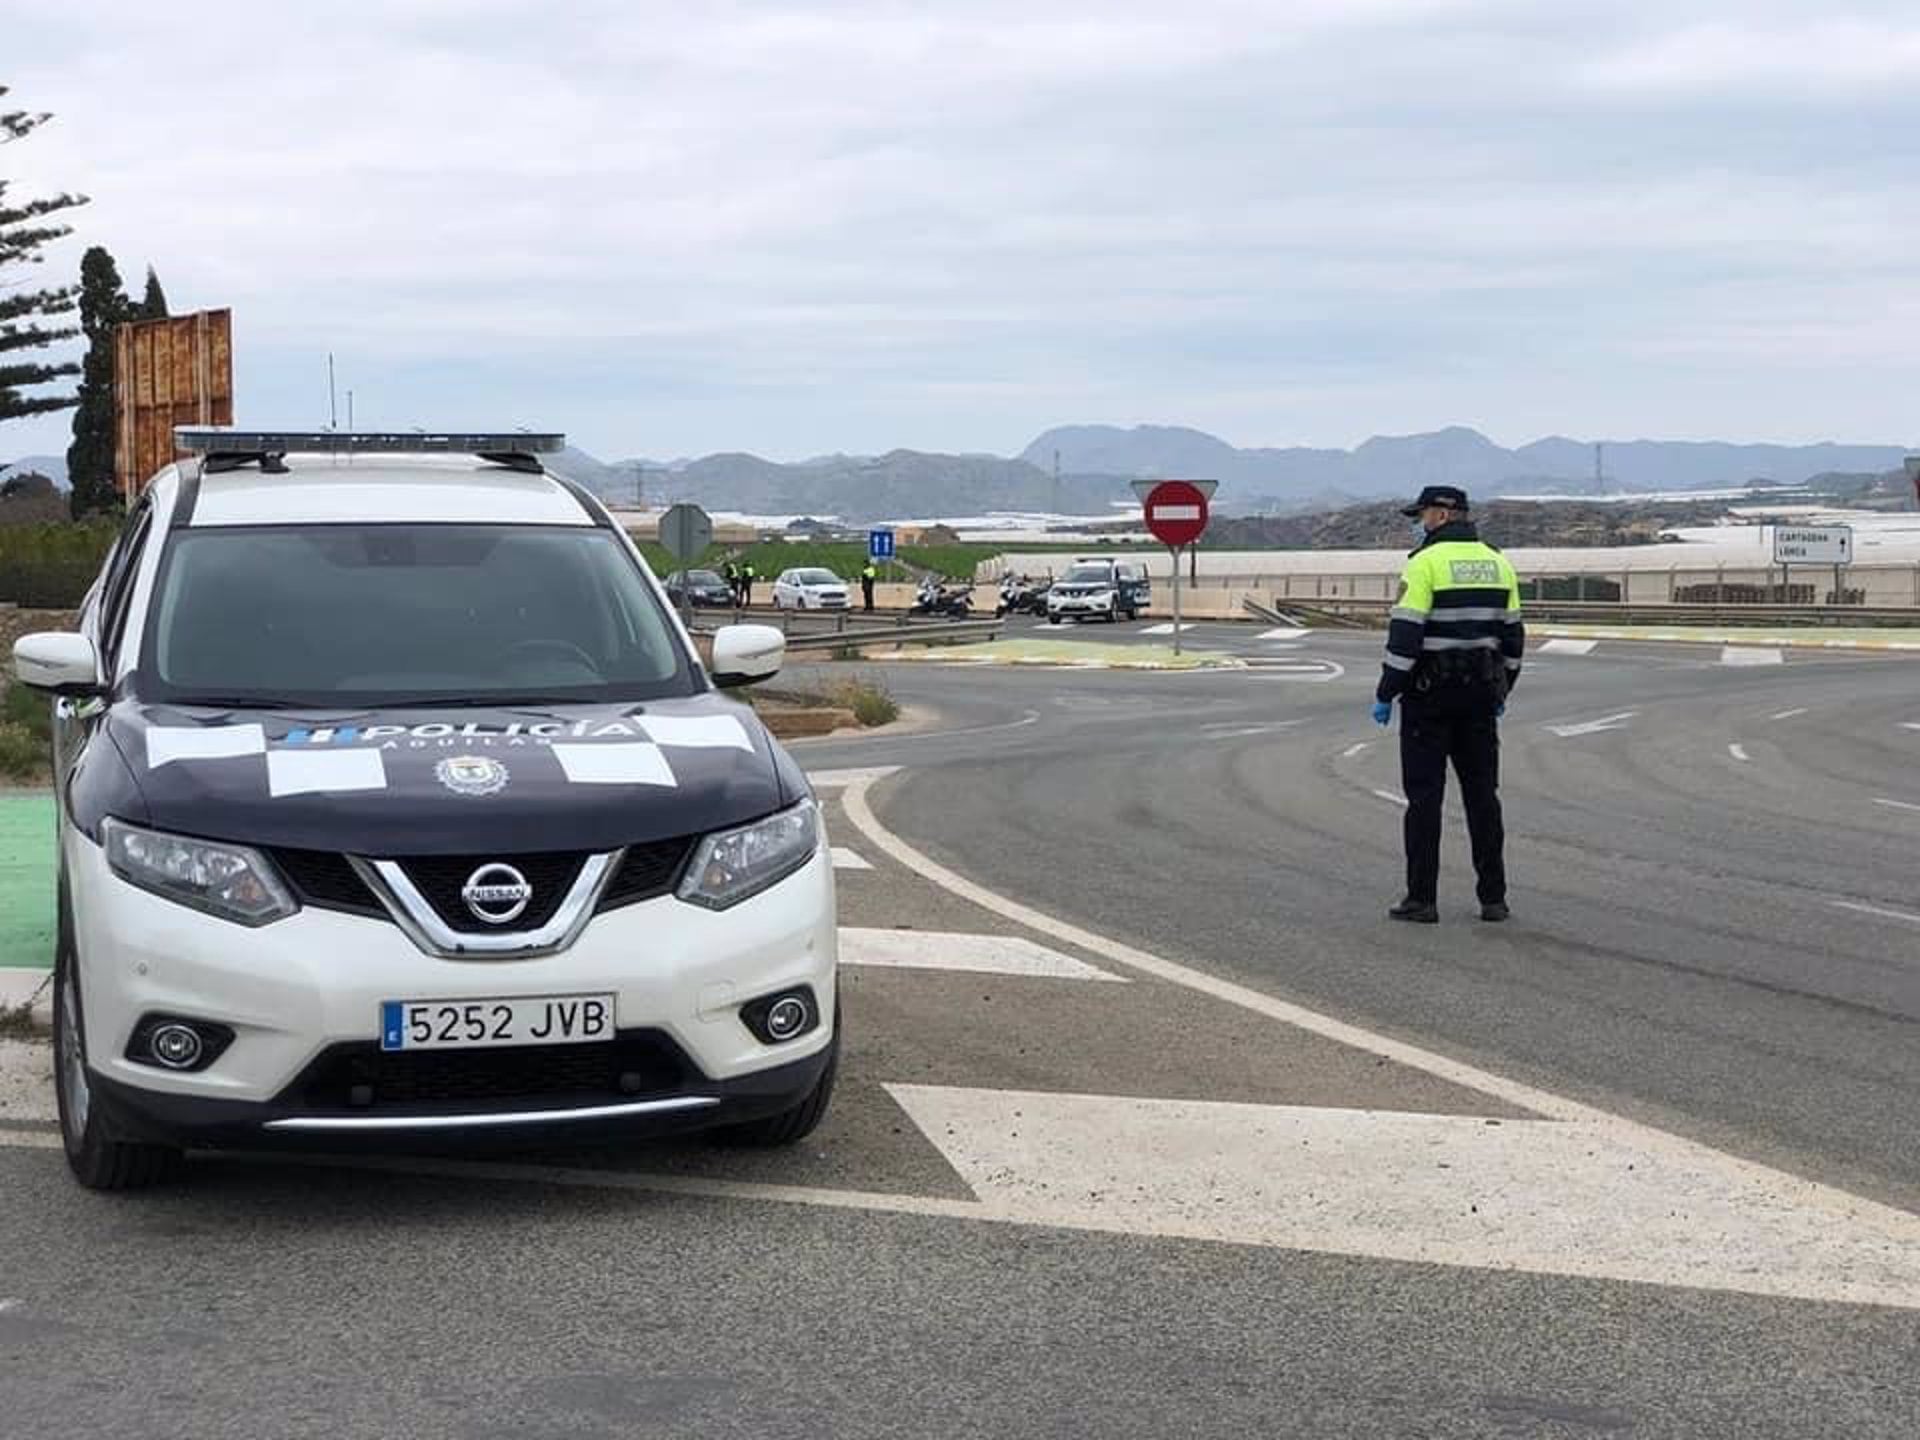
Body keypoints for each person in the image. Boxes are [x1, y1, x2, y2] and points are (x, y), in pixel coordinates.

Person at [1372, 485, 1524, 924]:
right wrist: (1501, 691)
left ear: (1441, 515)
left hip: (1429, 698)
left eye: (1423, 515)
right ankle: (1493, 899)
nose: (1421, 522)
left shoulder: (1425, 564)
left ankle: (1422, 899)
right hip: (1480, 697)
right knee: (1482, 797)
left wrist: (1387, 692)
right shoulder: (1499, 564)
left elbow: (1405, 637)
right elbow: (1513, 639)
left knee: (1424, 800)